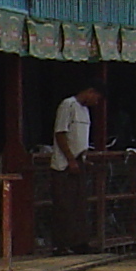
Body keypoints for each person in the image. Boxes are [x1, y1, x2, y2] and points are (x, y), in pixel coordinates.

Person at [47, 83, 103, 251]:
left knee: (79, 204)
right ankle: (62, 244)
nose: (96, 102)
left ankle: (79, 241)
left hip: (79, 159)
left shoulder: (85, 111)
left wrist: (82, 158)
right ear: (90, 91)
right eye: (97, 98)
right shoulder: (68, 105)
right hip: (64, 163)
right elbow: (60, 133)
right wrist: (70, 159)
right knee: (64, 205)